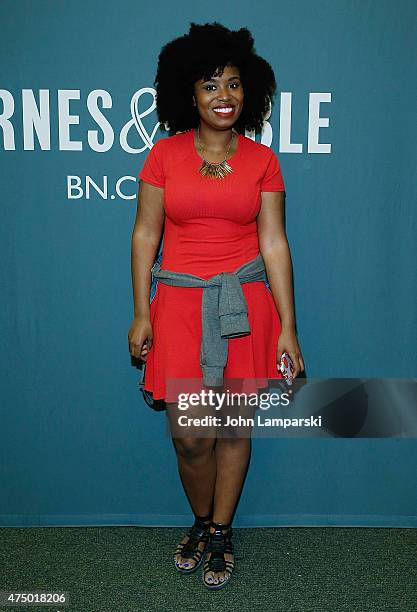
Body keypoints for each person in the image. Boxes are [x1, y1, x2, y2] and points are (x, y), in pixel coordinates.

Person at [128, 21, 305, 590]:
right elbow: (143, 237)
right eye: (210, 85)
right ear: (189, 93)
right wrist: (140, 311)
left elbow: (275, 243)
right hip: (179, 308)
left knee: (231, 429)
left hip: (245, 308)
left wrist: (289, 330)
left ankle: (220, 531)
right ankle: (201, 520)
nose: (223, 95)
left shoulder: (262, 161)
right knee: (191, 435)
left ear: (247, 90)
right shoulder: (163, 157)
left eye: (233, 83)